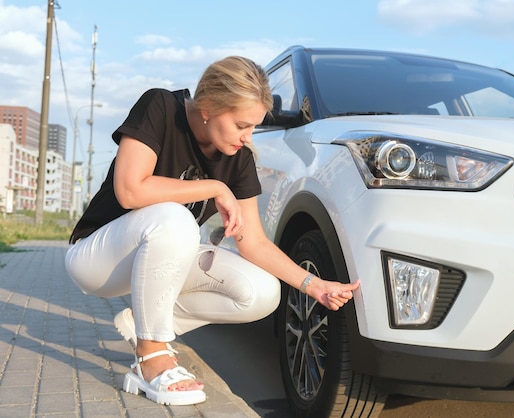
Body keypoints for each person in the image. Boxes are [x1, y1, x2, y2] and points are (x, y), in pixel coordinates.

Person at [64, 56, 360, 406]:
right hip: (98, 257)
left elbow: (255, 243)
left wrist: (314, 286)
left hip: (159, 257)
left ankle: (144, 323)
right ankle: (150, 358)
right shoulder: (160, 107)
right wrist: (215, 188)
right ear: (207, 107)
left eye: (253, 126)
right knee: (176, 220)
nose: (247, 137)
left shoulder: (238, 157)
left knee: (263, 292)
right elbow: (130, 190)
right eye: (241, 125)